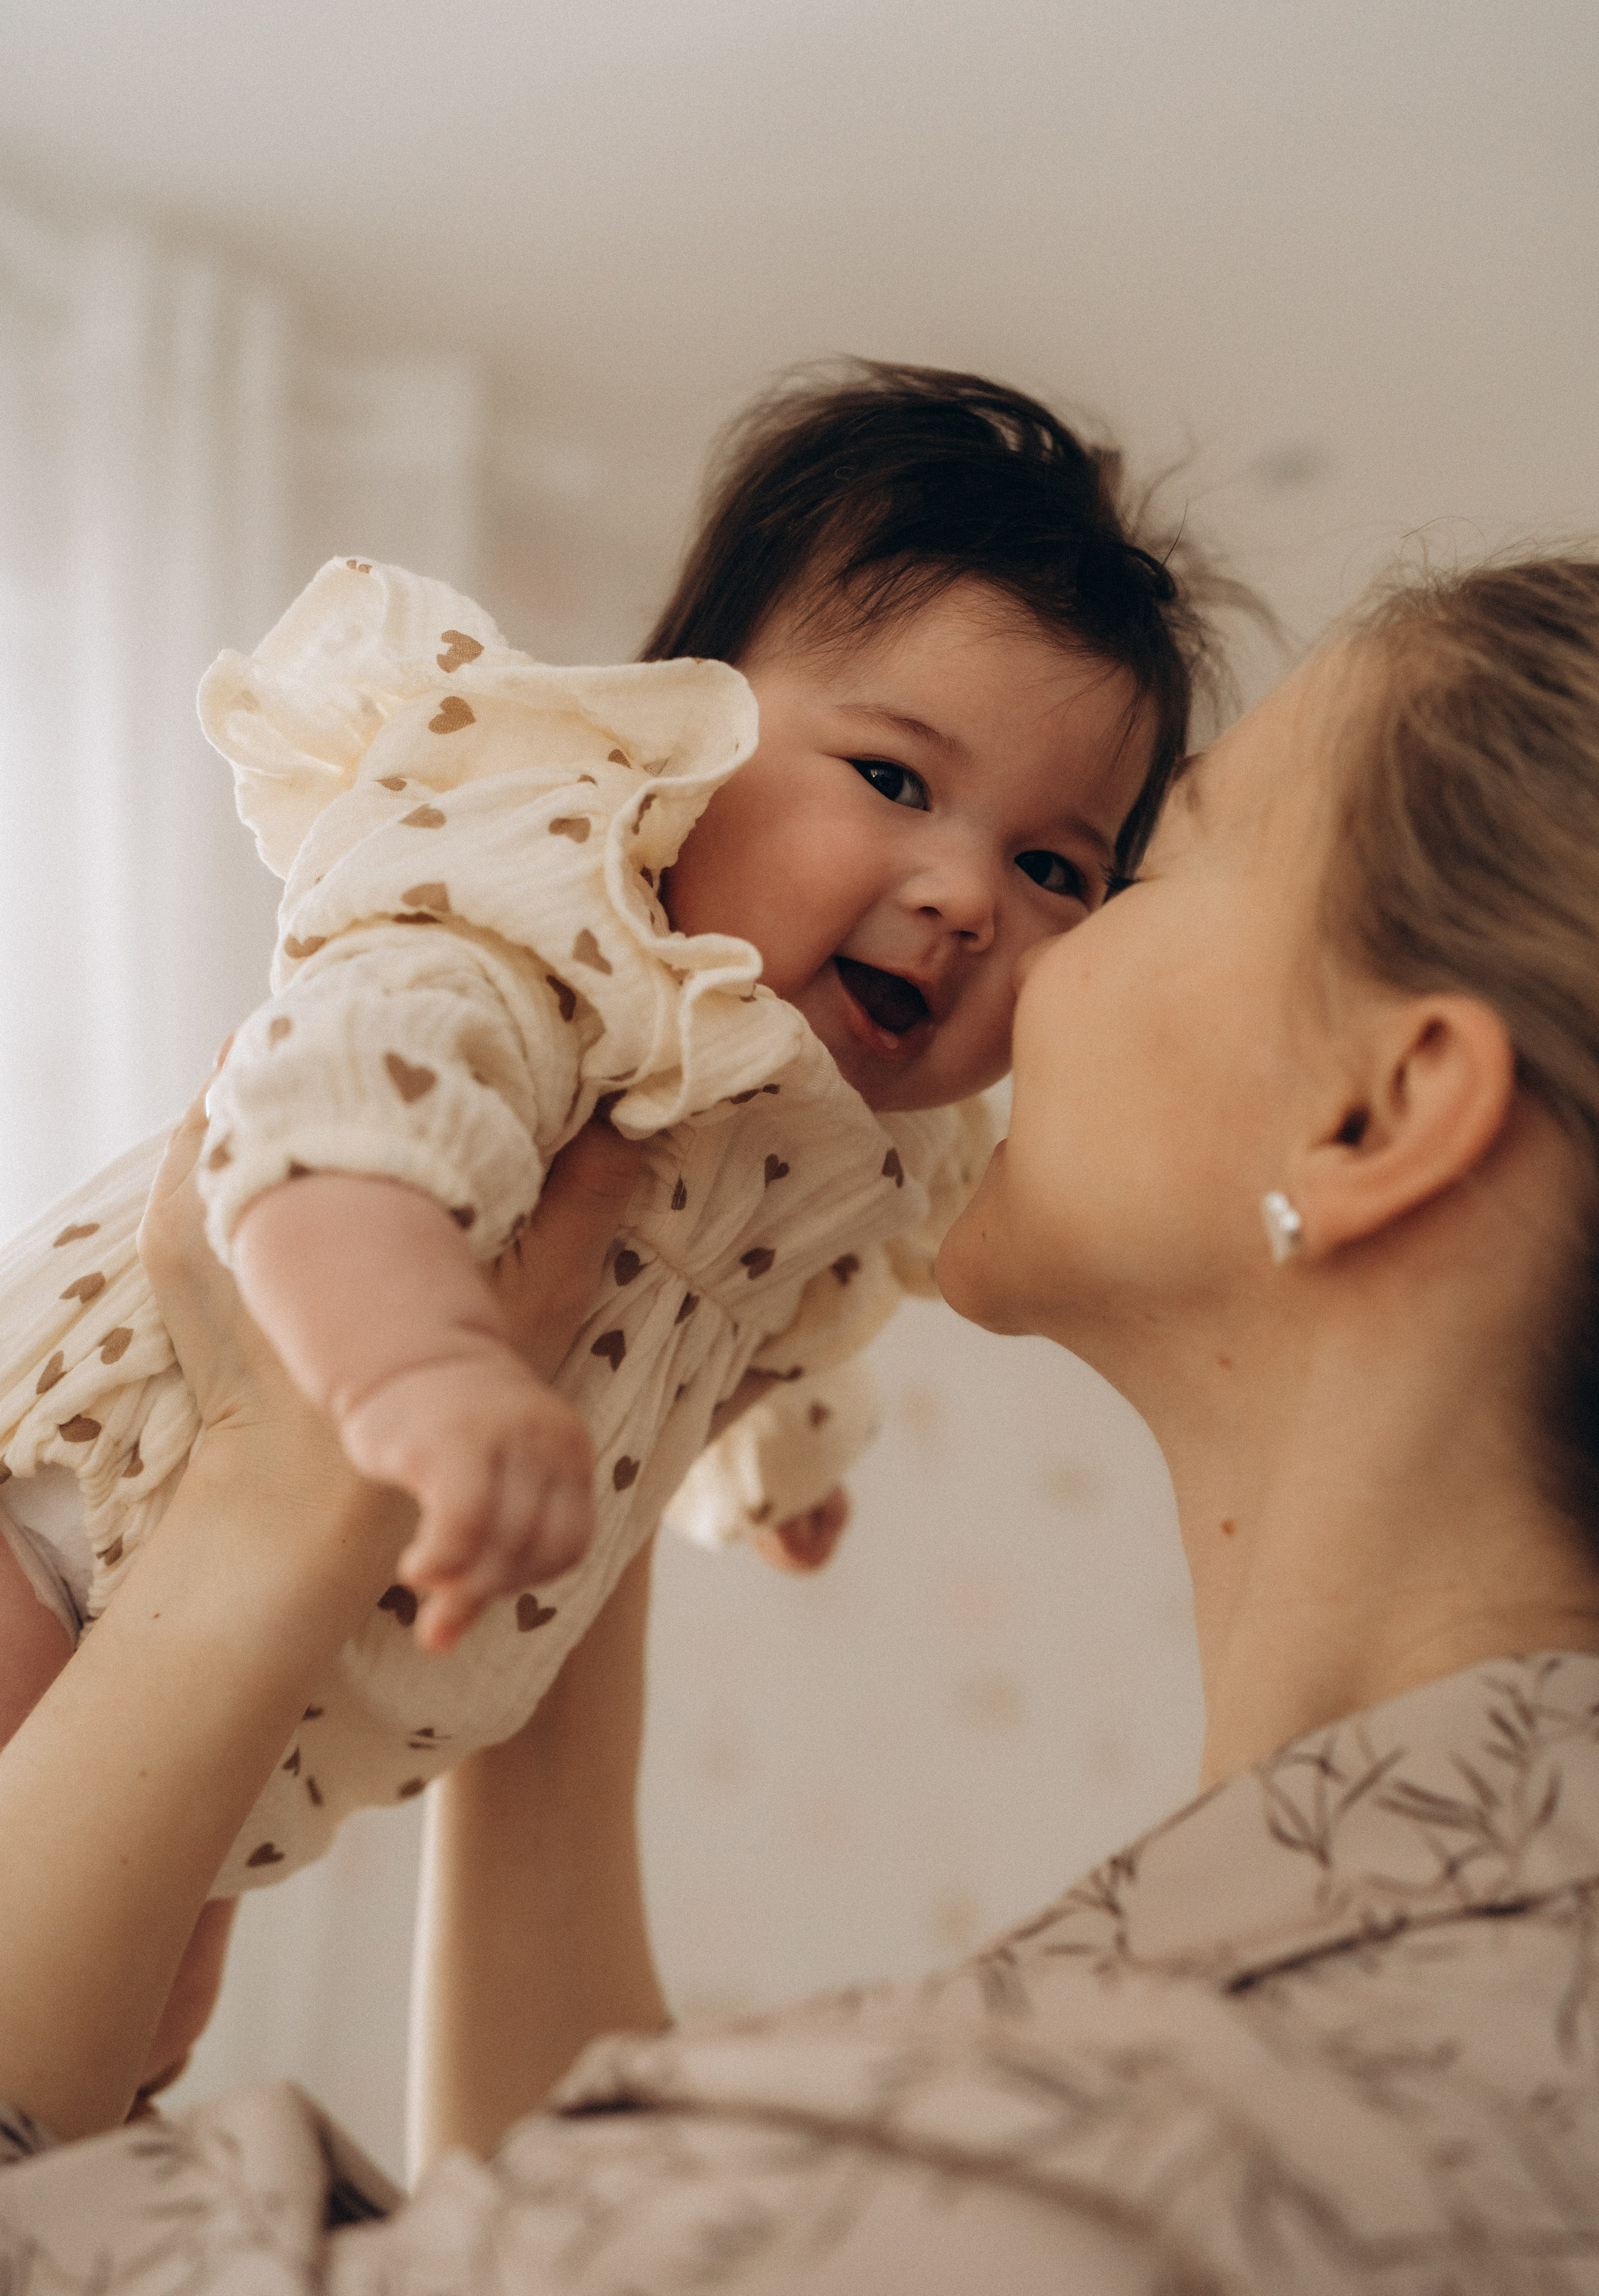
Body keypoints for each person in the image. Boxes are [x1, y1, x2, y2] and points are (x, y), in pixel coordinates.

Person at [9, 549, 1599, 2289]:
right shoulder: (1431, 1993)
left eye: (1119, 866)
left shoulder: (1152, 2126)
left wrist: (271, 1507)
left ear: (1380, 1113)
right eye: (901, 781)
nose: (1011, 929)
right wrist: (580, 1438)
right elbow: (573, 2220)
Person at [0, 364, 1217, 2095]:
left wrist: (772, 1469)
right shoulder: (547, 945)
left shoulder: (865, 1163)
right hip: (62, 1535)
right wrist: (418, 1366)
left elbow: (776, 1324)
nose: (963, 895)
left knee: (117, 2084)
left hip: (256, 1751)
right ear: (683, 746)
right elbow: (328, 1116)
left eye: (1057, 871)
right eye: (892, 775)